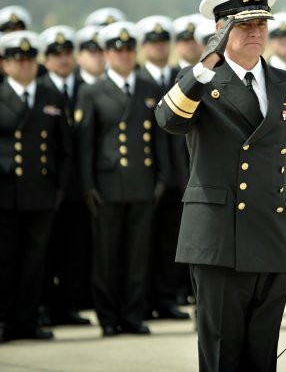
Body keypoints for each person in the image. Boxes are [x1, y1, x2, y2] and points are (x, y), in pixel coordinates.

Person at [155, 0, 286, 371]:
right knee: (222, 352)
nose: (256, 32)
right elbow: (168, 119)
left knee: (262, 355)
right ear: (220, 29)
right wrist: (205, 64)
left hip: (271, 233)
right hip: (219, 237)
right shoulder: (199, 82)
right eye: (243, 24)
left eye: (261, 24)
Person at [74, 21, 169, 337]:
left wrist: (161, 177)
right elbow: (85, 145)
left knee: (136, 257)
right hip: (108, 185)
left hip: (141, 183)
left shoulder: (148, 89)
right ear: (107, 53)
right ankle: (108, 317)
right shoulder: (92, 92)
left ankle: (132, 313)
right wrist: (87, 185)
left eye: (129, 49)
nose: (125, 54)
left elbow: (159, 140)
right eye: (118, 49)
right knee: (107, 256)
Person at [0, 31, 71, 342]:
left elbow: (64, 148)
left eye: (30, 59)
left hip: (41, 191)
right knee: (4, 260)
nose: (25, 65)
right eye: (19, 59)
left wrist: (58, 187)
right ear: (5, 64)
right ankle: (3, 320)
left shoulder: (50, 96)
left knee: (34, 262)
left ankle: (27, 320)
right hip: (5, 192)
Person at [134, 15, 192, 321]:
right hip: (145, 175)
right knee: (144, 242)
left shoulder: (180, 77)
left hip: (178, 172)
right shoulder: (138, 80)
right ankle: (143, 299)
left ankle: (167, 297)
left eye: (162, 43)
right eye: (152, 43)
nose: (158, 48)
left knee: (171, 239)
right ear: (143, 47)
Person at [37, 26, 93, 327]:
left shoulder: (85, 87)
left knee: (74, 249)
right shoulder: (41, 87)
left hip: (78, 184)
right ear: (46, 59)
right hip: (47, 182)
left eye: (67, 53)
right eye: (56, 54)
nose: (63, 59)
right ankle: (43, 305)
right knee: (46, 249)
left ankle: (68, 306)